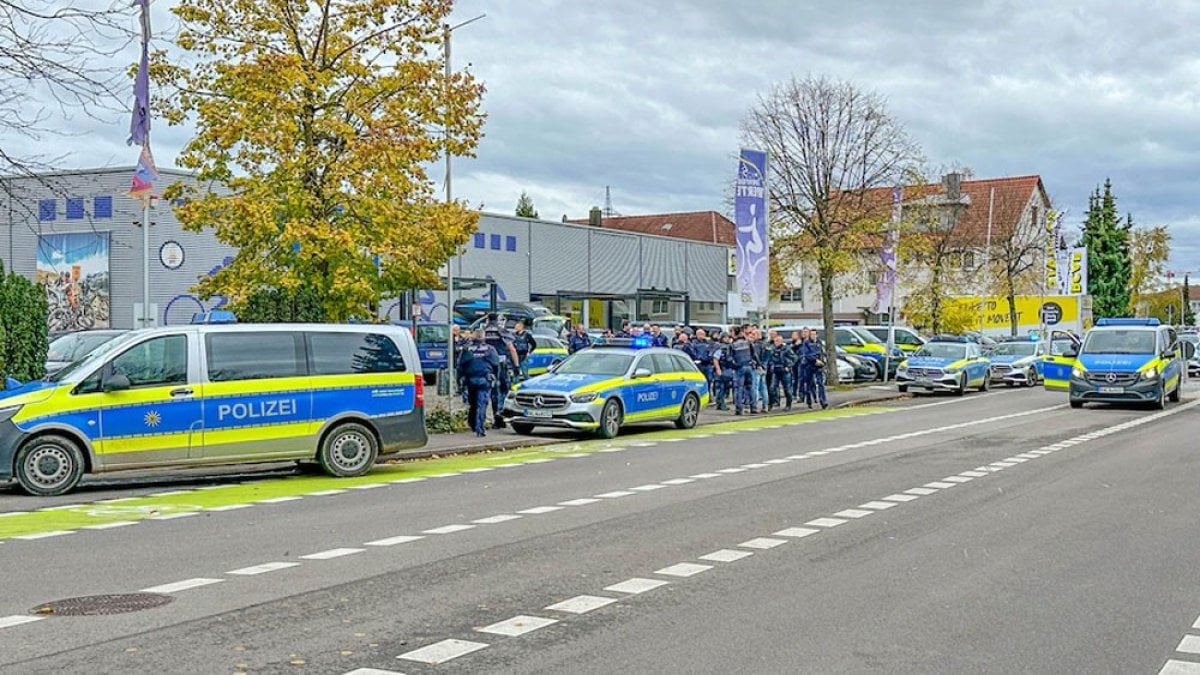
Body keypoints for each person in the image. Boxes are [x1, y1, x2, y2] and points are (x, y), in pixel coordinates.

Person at [457, 329, 499, 436]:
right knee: (482, 404)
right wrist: (496, 379)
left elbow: (460, 366)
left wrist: (459, 382)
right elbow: (496, 365)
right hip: (485, 380)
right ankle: (479, 428)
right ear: (484, 337)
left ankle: (473, 424)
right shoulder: (490, 349)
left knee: (473, 403)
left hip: (471, 380)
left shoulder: (467, 349)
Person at [483, 313, 520, 428]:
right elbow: (512, 349)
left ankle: (496, 417)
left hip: (487, 364)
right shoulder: (501, 330)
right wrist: (516, 365)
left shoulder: (484, 331)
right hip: (501, 363)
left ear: (488, 319)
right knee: (504, 389)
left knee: (493, 391)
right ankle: (501, 413)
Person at [764, 332, 796, 411]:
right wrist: (770, 366)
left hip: (785, 371)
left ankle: (788, 405)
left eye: (778, 341)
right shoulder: (772, 349)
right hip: (775, 371)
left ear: (781, 341)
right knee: (772, 388)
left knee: (787, 389)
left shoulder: (787, 349)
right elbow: (769, 359)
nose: (776, 343)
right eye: (775, 341)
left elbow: (795, 358)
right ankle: (770, 404)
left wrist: (789, 366)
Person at [729, 327, 757, 415]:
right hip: (749, 366)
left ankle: (739, 408)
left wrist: (734, 366)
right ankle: (753, 407)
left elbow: (729, 358)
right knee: (750, 387)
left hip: (739, 367)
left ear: (734, 334)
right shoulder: (748, 343)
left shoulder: (733, 345)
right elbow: (754, 354)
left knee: (738, 388)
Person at [799, 330, 829, 409]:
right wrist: (815, 360)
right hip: (809, 365)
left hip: (818, 366)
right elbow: (807, 354)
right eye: (811, 334)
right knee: (808, 384)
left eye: (814, 334)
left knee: (820, 383)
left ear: (817, 335)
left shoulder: (819, 343)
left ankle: (823, 401)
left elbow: (822, 353)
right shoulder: (806, 343)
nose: (812, 336)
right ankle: (809, 401)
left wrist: (823, 362)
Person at [713, 333, 735, 411]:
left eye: (728, 337)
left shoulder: (729, 346)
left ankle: (720, 404)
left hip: (727, 369)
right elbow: (715, 359)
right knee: (720, 387)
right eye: (726, 337)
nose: (727, 339)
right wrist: (718, 369)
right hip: (722, 369)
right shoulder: (720, 347)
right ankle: (720, 404)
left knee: (725, 388)